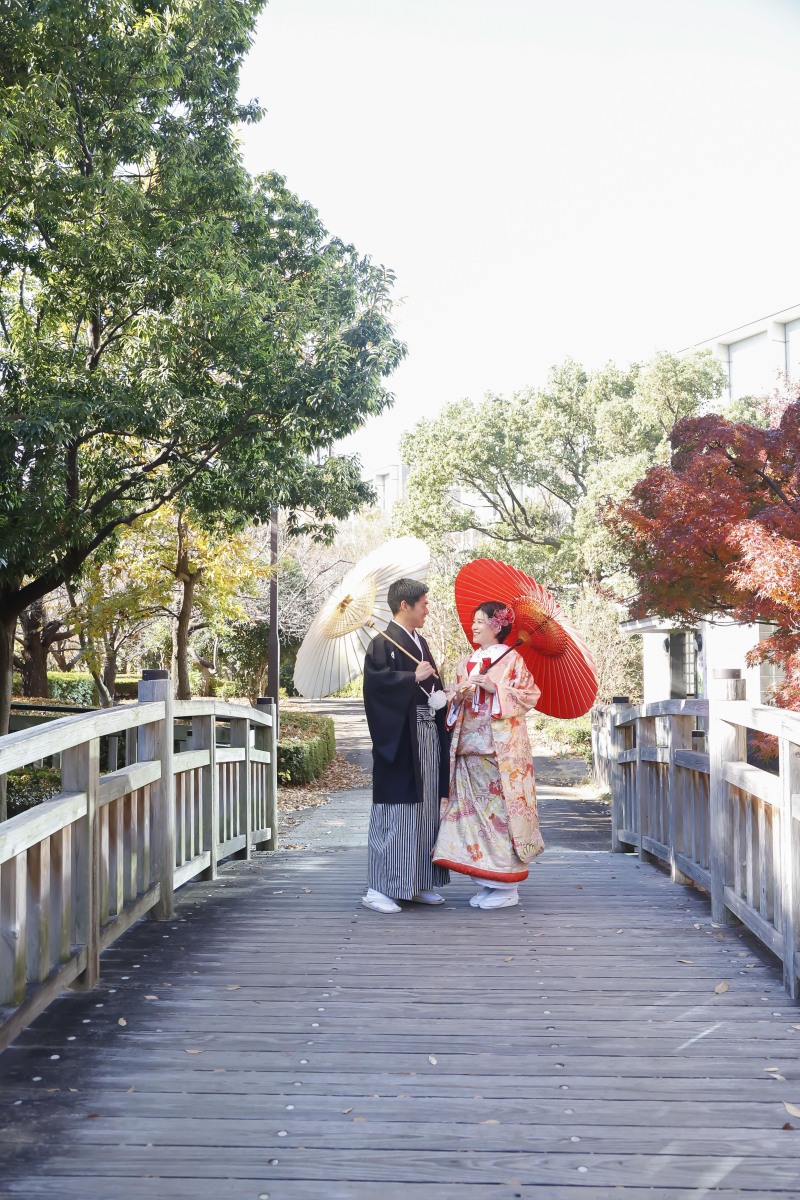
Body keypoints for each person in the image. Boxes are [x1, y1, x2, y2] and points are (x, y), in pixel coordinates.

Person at [433, 600, 544, 909]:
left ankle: (506, 887)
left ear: (497, 626)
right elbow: (454, 709)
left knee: (500, 818)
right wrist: (459, 696)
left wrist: (496, 689)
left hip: (499, 754)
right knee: (471, 818)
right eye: (474, 621)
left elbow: (530, 695)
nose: (474, 626)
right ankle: (487, 882)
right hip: (468, 752)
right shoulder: (466, 662)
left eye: (480, 621)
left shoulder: (513, 660)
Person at [361, 577, 451, 914]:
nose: (428, 609)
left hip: (426, 735)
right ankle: (379, 886)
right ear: (405, 606)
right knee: (397, 811)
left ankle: (415, 881)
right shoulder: (381, 644)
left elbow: (431, 689)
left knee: (426, 809)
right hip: (399, 739)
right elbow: (375, 689)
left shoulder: (419, 641)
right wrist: (409, 677)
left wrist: (444, 696)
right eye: (424, 603)